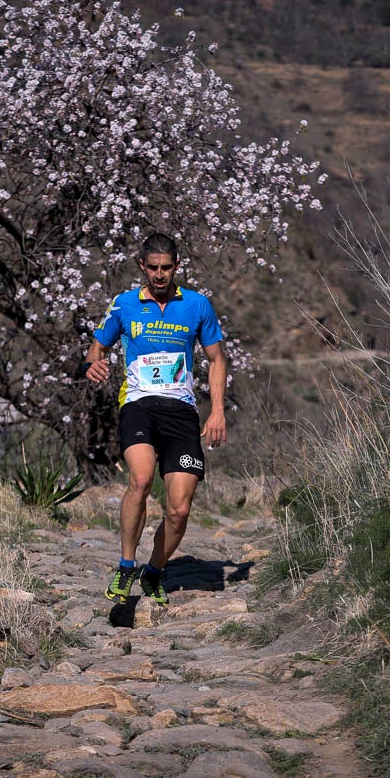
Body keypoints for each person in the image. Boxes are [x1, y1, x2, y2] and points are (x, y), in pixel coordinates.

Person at [83, 233, 227, 607]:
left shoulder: (197, 305)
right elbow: (97, 347)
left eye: (166, 268)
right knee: (142, 479)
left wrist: (217, 410)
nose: (159, 275)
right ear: (142, 267)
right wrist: (92, 364)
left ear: (176, 266)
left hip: (181, 412)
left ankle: (154, 571)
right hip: (139, 405)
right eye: (152, 268)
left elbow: (217, 359)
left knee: (179, 508)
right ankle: (126, 564)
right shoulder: (124, 304)